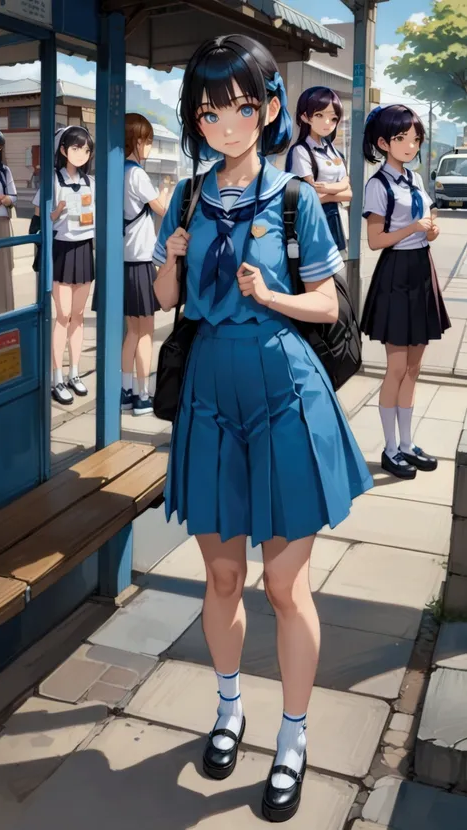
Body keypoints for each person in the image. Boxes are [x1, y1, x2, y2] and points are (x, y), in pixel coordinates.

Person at [152, 35, 372, 823]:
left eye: (241, 106)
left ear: (269, 108)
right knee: (219, 576)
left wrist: (271, 294)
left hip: (284, 385)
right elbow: (165, 294)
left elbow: (329, 305)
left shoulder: (294, 198)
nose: (224, 121)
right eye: (208, 110)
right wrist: (170, 257)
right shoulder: (185, 196)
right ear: (197, 119)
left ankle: (294, 736)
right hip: (211, 384)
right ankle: (228, 707)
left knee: (283, 584)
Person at [360, 105, 450, 479]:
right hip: (396, 272)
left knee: (414, 367)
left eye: (415, 139)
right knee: (396, 367)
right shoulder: (377, 185)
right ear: (383, 143)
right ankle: (390, 448)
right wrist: (413, 228)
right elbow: (374, 240)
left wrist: (430, 231)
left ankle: (408, 443)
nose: (411, 145)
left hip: (420, 270)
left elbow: (427, 221)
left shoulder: (414, 180)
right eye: (402, 139)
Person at [33, 126, 95, 405]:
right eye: (76, 148)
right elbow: (39, 213)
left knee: (78, 315)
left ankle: (74, 372)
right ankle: (55, 376)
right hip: (61, 248)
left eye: (85, 149)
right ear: (63, 150)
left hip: (84, 248)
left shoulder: (90, 182)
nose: (81, 153)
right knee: (63, 315)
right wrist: (55, 213)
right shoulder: (53, 180)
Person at [120, 113, 168, 415]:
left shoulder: (117, 171)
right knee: (146, 331)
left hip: (124, 261)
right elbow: (161, 208)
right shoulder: (137, 174)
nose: (148, 146)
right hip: (140, 261)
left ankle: (126, 392)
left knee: (132, 331)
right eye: (147, 141)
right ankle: (143, 396)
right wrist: (166, 192)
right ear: (136, 141)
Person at [285, 87, 351, 255]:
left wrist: (327, 190)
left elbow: (349, 193)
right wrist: (338, 191)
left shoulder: (333, 151)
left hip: (339, 222)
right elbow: (309, 197)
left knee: (340, 269)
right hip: (313, 222)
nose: (327, 123)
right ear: (305, 116)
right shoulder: (301, 151)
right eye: (320, 115)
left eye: (333, 118)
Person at [0, 128, 17, 316]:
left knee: (1, 271)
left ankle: (4, 312)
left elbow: (13, 197)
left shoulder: (3, 170)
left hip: (0, 222)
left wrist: (4, 199)